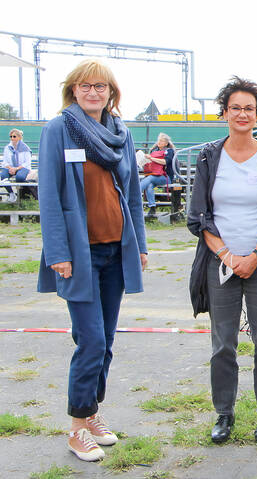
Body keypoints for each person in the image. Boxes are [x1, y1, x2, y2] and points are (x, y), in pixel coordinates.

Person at [36, 59, 148, 462]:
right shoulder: (58, 129)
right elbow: (48, 196)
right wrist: (58, 254)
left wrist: (140, 245)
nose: (93, 92)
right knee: (92, 341)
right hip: (78, 255)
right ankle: (77, 428)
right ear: (73, 90)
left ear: (111, 92)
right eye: (85, 86)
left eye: (100, 86)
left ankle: (91, 412)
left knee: (107, 341)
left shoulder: (121, 133)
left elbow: (133, 193)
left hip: (116, 251)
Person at [187, 76, 257, 445]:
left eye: (249, 108)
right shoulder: (208, 157)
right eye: (236, 108)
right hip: (221, 264)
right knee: (223, 345)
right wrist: (229, 256)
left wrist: (254, 256)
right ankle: (224, 415)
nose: (242, 114)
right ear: (225, 113)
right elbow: (199, 217)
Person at [139, 133, 175, 216]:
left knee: (150, 178)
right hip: (154, 174)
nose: (159, 142)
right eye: (159, 140)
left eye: (162, 141)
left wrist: (151, 158)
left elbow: (165, 162)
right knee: (149, 185)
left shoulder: (169, 151)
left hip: (166, 177)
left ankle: (135, 193)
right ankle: (152, 208)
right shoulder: (154, 150)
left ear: (166, 143)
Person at [2, 128, 33, 202]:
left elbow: (27, 162)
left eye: (14, 136)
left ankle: (22, 196)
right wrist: (11, 168)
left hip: (22, 167)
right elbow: (5, 162)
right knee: (3, 176)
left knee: (20, 177)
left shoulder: (25, 148)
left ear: (19, 137)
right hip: (11, 168)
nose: (12, 138)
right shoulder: (7, 148)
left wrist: (16, 169)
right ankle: (11, 194)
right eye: (11, 136)